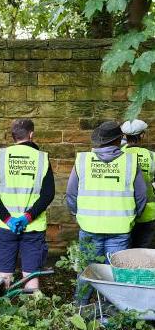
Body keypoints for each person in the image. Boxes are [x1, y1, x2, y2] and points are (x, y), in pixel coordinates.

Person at [66, 121, 147, 304]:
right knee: (117, 271)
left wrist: (78, 214)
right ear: (120, 140)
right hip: (120, 228)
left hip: (89, 226)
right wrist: (133, 217)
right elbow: (141, 197)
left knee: (87, 268)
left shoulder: (83, 160)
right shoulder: (130, 161)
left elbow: (71, 194)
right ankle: (112, 311)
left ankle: (80, 307)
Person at [0, 119, 55, 291]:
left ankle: (0, 313)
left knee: (3, 275)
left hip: (5, 227)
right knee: (30, 275)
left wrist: (8, 219)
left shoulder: (1, 157)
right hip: (33, 227)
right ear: (31, 135)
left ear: (13, 136)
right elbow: (48, 194)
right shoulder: (42, 159)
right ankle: (31, 311)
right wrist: (27, 217)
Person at [121, 119, 155, 248]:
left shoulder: (118, 155)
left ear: (125, 136)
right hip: (148, 212)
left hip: (124, 210)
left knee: (124, 251)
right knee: (142, 250)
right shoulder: (151, 156)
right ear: (142, 135)